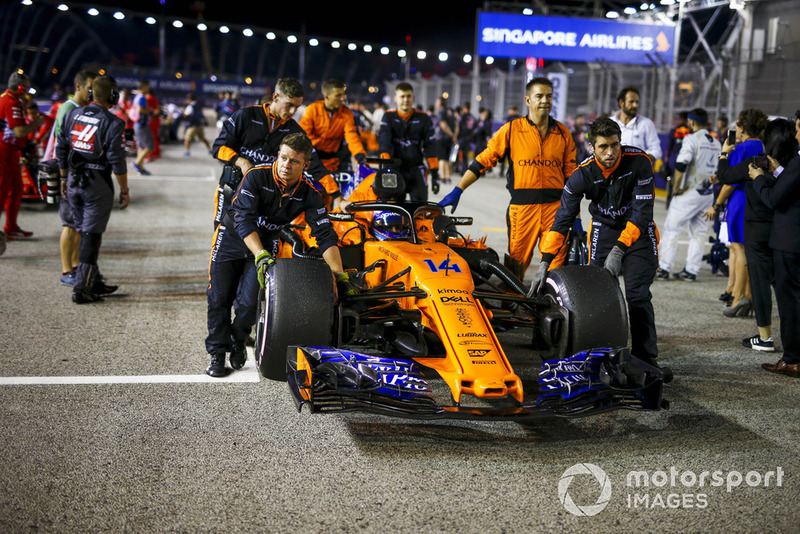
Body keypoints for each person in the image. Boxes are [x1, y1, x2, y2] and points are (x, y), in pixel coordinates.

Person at [204, 133, 350, 377]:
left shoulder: (311, 193)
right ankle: (217, 354)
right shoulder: (255, 175)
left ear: (305, 165)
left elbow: (325, 235)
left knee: (251, 303)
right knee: (219, 298)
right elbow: (244, 220)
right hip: (232, 236)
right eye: (283, 158)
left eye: (294, 161)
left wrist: (340, 276)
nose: (285, 165)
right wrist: (260, 253)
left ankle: (239, 338)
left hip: (266, 242)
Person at [533, 117, 660, 366]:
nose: (610, 152)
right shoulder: (581, 175)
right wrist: (545, 261)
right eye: (603, 147)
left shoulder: (640, 162)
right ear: (591, 147)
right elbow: (562, 220)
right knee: (597, 294)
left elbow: (642, 212)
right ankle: (600, 351)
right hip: (604, 228)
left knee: (637, 295)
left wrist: (620, 249)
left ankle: (646, 357)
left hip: (638, 231)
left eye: (615, 145)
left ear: (620, 142)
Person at [439, 77, 577, 280]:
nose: (545, 100)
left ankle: (554, 307)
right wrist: (458, 189)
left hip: (555, 210)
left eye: (549, 96)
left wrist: (576, 215)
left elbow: (572, 176)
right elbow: (483, 161)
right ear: (528, 100)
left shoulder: (563, 133)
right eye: (539, 96)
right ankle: (514, 307)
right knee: (516, 268)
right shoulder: (512, 130)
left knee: (556, 266)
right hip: (522, 211)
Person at [210, 78, 339, 227]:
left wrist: (338, 196)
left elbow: (315, 165)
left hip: (264, 196)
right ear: (276, 97)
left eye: (297, 107)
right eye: (289, 105)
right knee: (224, 241)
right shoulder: (246, 115)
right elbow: (218, 147)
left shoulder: (294, 131)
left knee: (256, 242)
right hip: (231, 189)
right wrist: (241, 161)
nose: (293, 112)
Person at [55, 75, 129, 303]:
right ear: (113, 95)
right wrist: (124, 189)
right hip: (97, 184)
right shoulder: (114, 122)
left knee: (83, 231)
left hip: (74, 181)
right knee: (91, 236)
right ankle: (82, 289)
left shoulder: (71, 114)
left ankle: (92, 280)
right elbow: (117, 160)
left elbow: (61, 148)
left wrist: (63, 178)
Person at [750, 118, 800, 376]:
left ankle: (792, 359)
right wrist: (778, 171)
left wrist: (759, 178)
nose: (797, 133)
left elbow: (774, 199)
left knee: (790, 304)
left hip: (790, 242)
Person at [712, 108, 768, 317]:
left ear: (743, 126)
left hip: (740, 200)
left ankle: (738, 298)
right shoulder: (763, 145)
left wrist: (724, 152)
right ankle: (747, 295)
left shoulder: (743, 147)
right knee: (745, 248)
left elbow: (728, 177)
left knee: (738, 247)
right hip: (756, 198)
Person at [655, 108, 721, 281]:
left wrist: (676, 188)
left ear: (691, 122)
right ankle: (691, 271)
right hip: (707, 194)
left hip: (689, 192)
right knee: (699, 233)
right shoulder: (716, 142)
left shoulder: (691, 139)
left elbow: (681, 164)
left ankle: (664, 268)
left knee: (672, 229)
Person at [45, 70, 97, 286]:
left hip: (80, 172)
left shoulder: (82, 108)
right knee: (69, 223)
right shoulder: (68, 108)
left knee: (77, 224)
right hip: (69, 171)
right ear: (78, 86)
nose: (92, 92)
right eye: (89, 88)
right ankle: (66, 271)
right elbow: (61, 143)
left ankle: (75, 267)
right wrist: (64, 174)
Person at [0, 71, 46, 243]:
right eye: (26, 88)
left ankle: (11, 226)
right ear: (20, 88)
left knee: (16, 188)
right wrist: (37, 124)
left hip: (9, 152)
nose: (27, 91)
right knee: (2, 191)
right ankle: (9, 227)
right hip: (4, 153)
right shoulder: (11, 102)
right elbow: (19, 131)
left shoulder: (8, 99)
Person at [377, 82, 439, 201]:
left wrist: (435, 175)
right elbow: (384, 141)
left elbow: (430, 147)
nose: (405, 100)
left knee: (420, 209)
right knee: (392, 209)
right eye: (402, 96)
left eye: (408, 96)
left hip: (415, 168)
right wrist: (384, 165)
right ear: (395, 98)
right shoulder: (388, 117)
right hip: (394, 168)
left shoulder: (424, 118)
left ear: (413, 98)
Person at [298, 79, 367, 176]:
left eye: (343, 94)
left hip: (334, 162)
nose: (342, 98)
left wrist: (359, 154)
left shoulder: (347, 113)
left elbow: (351, 135)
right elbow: (303, 137)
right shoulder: (312, 110)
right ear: (326, 96)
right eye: (338, 95)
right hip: (312, 161)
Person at [610, 86, 663, 162]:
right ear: (621, 102)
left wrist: (639, 162)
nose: (635, 105)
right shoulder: (610, 122)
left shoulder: (646, 124)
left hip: (638, 172)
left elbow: (656, 151)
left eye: (637, 102)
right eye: (631, 102)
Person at [131, 79, 154, 175]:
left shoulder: (137, 97)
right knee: (150, 147)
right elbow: (141, 110)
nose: (149, 88)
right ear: (144, 87)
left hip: (137, 124)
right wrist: (151, 112)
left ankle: (141, 168)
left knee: (141, 147)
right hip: (142, 125)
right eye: (147, 86)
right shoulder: (142, 98)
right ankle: (137, 163)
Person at [433, 97, 457, 185]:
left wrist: (450, 134)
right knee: (447, 158)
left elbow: (443, 125)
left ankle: (442, 177)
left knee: (441, 158)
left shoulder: (441, 111)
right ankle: (448, 177)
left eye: (437, 101)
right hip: (449, 139)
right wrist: (454, 135)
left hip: (441, 138)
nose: (436, 103)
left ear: (440, 102)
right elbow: (456, 124)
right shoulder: (450, 112)